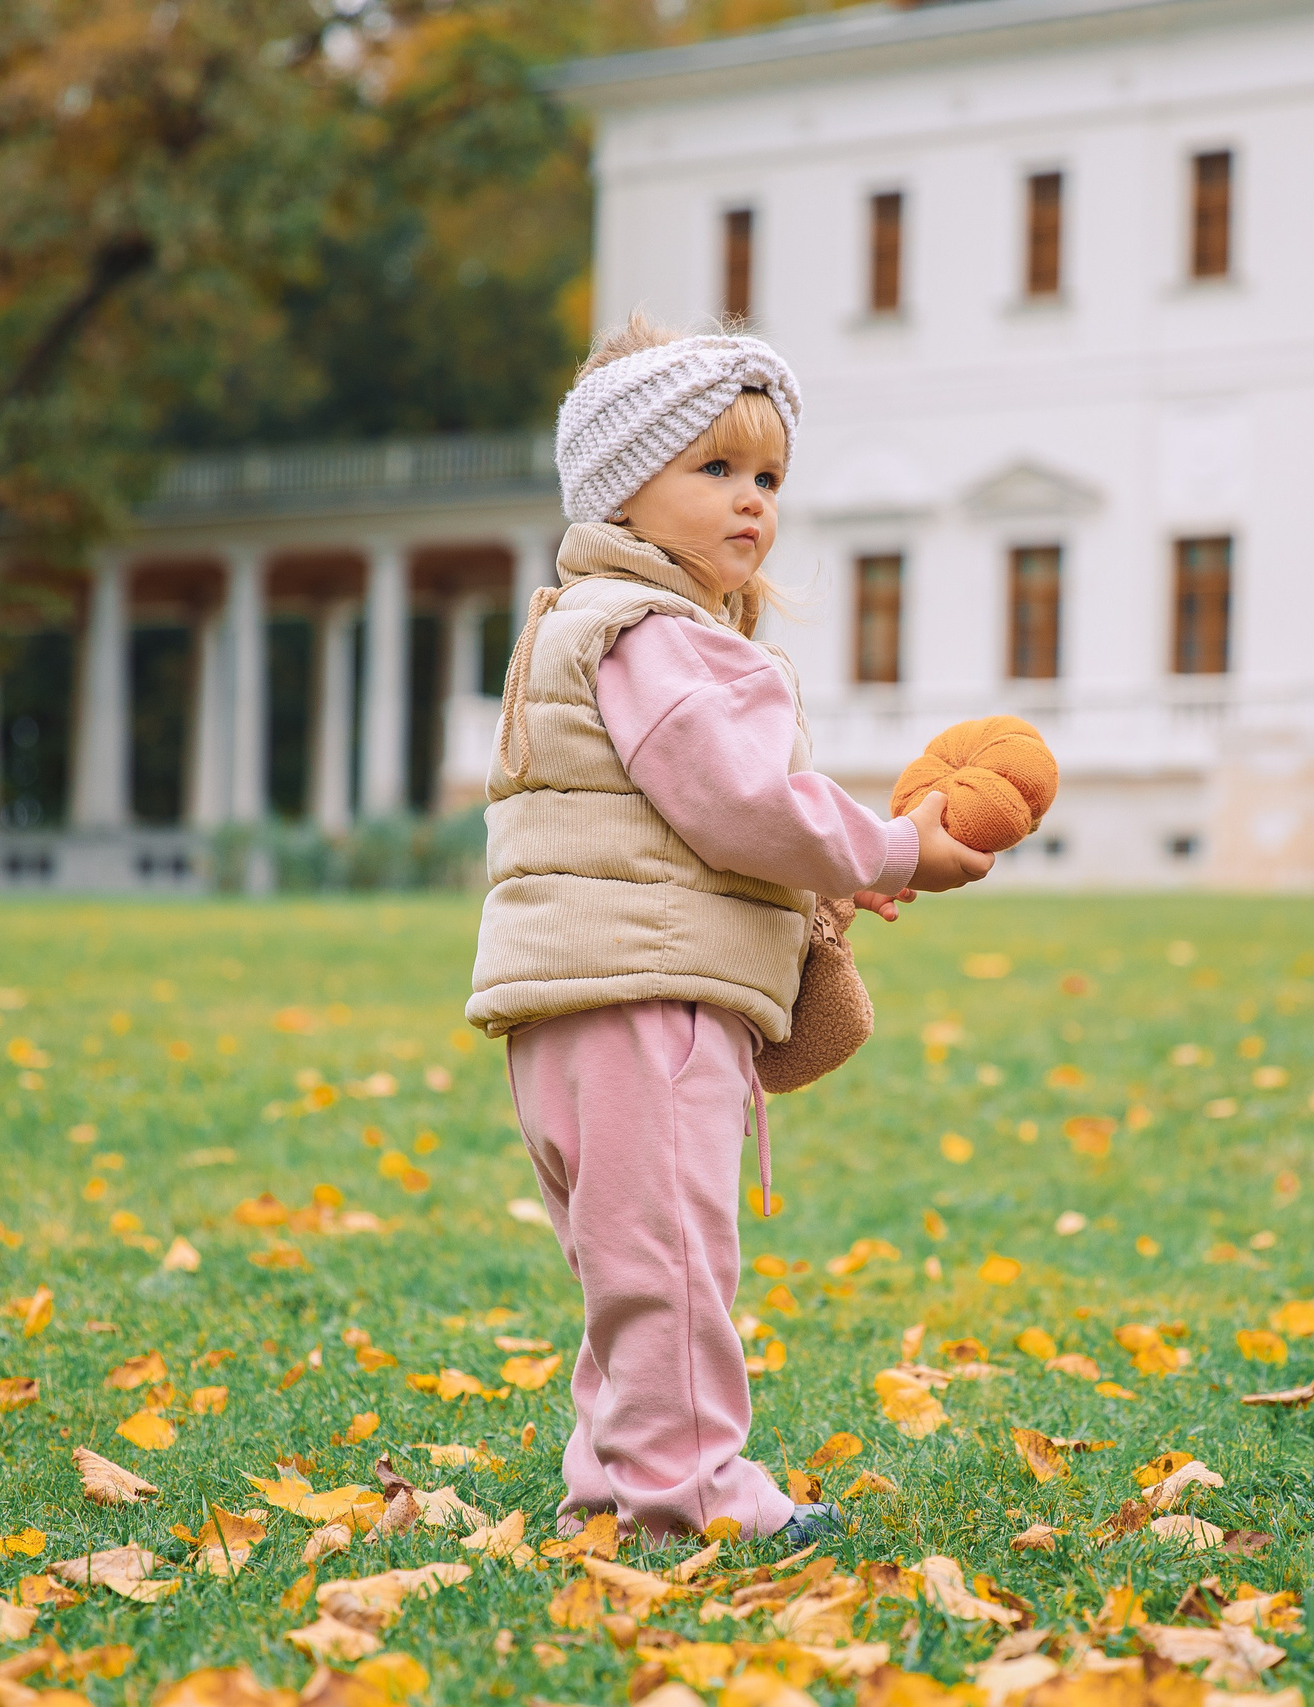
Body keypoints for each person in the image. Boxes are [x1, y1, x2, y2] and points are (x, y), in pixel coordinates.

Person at [466, 315, 994, 1546]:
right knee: (672, 1267)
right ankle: (695, 1499)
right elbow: (741, 803)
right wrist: (893, 848)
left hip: (574, 998)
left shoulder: (591, 623)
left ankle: (614, 1479)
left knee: (628, 1265)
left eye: (768, 477)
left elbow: (700, 818)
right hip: (646, 1000)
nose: (752, 501)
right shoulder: (651, 634)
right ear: (620, 488)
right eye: (714, 470)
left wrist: (823, 878)